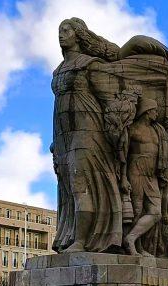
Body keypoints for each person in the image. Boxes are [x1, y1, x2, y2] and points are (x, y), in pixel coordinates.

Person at [50, 18, 124, 253]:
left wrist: (117, 137)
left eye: (66, 30)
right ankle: (70, 237)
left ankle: (82, 241)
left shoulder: (90, 65)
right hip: (63, 135)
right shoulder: (58, 70)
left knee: (81, 183)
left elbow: (111, 103)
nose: (61, 35)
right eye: (59, 30)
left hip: (89, 131)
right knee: (68, 186)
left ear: (79, 34)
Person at [121, 97, 168, 256]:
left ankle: (131, 238)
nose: (157, 113)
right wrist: (123, 178)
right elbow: (122, 155)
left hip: (152, 175)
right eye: (154, 110)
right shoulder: (132, 130)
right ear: (147, 111)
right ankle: (135, 246)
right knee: (137, 210)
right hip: (136, 170)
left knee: (155, 212)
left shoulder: (157, 131)